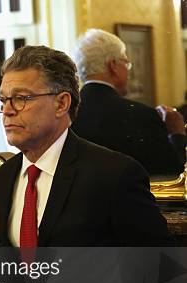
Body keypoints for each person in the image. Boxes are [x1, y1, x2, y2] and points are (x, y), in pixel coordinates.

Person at [0, 45, 171, 283]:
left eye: (22, 98)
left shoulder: (114, 173)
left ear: (61, 103)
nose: (7, 110)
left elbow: (163, 271)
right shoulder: (6, 176)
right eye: (4, 99)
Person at [72, 28, 186, 176]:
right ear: (113, 66)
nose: (128, 71)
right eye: (126, 63)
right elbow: (174, 174)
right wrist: (177, 135)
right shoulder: (142, 116)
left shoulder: (65, 113)